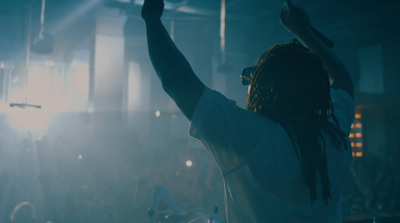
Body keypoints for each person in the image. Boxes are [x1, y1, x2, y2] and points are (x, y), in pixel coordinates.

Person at [141, 0, 354, 222]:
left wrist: (152, 20)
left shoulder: (252, 137)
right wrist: (305, 32)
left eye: (251, 77)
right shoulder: (333, 138)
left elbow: (177, 81)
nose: (248, 86)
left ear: (266, 89)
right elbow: (343, 79)